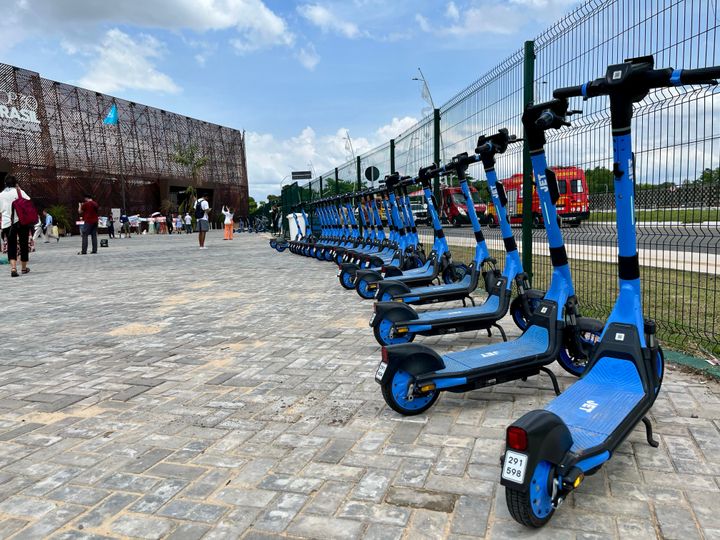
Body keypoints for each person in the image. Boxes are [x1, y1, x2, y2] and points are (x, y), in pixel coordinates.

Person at [0, 175, 32, 277]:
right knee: (23, 244)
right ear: (15, 183)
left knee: (11, 245)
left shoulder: (1, 195)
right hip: (21, 222)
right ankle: (23, 268)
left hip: (7, 223)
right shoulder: (19, 192)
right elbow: (29, 202)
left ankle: (13, 268)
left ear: (5, 183)